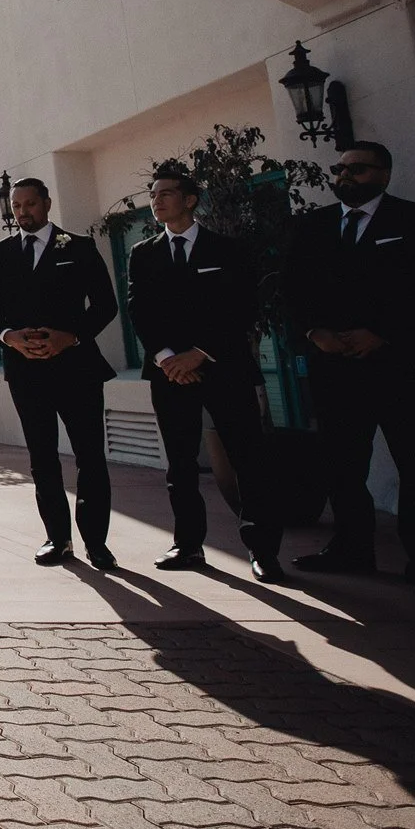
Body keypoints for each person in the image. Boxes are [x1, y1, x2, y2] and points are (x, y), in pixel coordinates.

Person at [282, 141, 415, 584]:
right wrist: (316, 332)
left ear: (383, 174)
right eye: (340, 169)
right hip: (335, 367)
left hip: (400, 363)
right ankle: (351, 548)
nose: (345, 177)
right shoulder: (314, 225)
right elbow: (294, 287)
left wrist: (382, 333)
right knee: (342, 463)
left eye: (358, 170)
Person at [124, 167, 284, 583]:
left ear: (190, 200)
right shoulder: (143, 253)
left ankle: (263, 550)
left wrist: (199, 354)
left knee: (247, 457)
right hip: (169, 373)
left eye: (166, 194)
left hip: (224, 367)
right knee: (180, 463)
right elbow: (139, 310)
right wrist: (166, 358)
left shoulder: (227, 249)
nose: (157, 201)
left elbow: (243, 308)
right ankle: (188, 544)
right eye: (153, 194)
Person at [0, 177, 120, 570]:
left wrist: (71, 337)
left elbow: (106, 305)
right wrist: (10, 337)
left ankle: (97, 543)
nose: (22, 212)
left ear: (47, 203)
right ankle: (58, 539)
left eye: (29, 204)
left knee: (90, 457)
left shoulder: (79, 247)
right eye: (16, 206)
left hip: (78, 370)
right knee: (42, 459)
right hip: (26, 373)